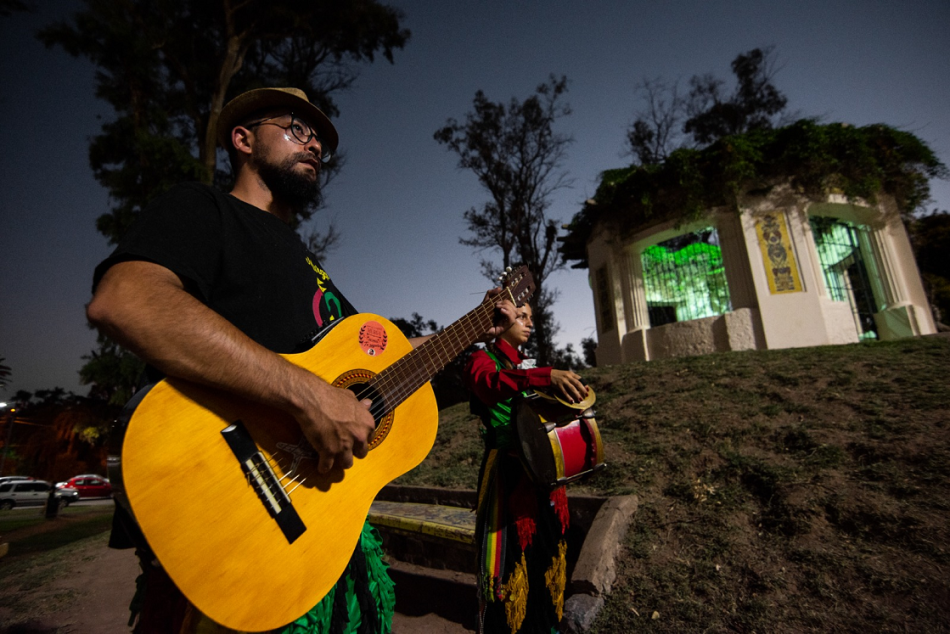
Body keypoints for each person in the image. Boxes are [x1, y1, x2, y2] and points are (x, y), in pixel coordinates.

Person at [87, 86, 516, 634]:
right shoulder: (202, 208)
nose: (313, 143)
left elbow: (387, 365)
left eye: (319, 139)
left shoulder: (307, 264)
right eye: (295, 128)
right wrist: (309, 395)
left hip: (321, 541)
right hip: (230, 528)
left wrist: (478, 324)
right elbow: (126, 300)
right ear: (242, 139)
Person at [465, 303, 588, 634]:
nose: (529, 323)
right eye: (521, 316)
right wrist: (544, 375)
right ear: (500, 321)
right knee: (511, 559)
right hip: (507, 475)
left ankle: (544, 623)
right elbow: (487, 386)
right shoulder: (482, 360)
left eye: (532, 318)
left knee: (548, 549)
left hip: (543, 473)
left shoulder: (524, 364)